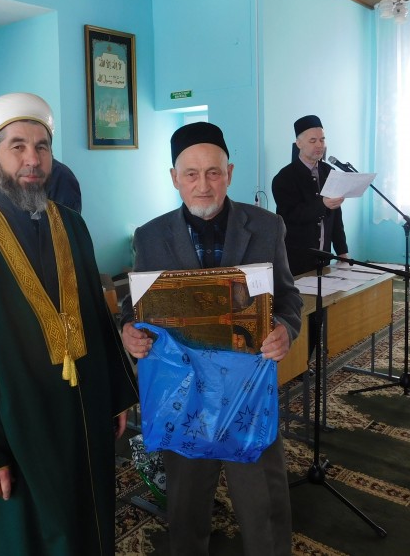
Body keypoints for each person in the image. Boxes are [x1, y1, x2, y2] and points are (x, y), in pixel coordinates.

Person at [0, 92, 138, 556]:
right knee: (21, 535)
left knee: (85, 520)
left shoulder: (72, 224)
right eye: (17, 146)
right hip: (13, 422)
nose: (32, 159)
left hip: (81, 408)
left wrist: (116, 394)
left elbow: (96, 316)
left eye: (41, 147)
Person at [120, 121, 302, 556]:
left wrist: (285, 328)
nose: (203, 186)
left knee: (263, 501)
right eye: (191, 174)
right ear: (174, 178)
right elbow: (135, 307)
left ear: (230, 173)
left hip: (248, 391)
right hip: (183, 395)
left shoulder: (266, 226)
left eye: (214, 173)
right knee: (185, 502)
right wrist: (129, 330)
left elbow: (288, 296)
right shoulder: (151, 236)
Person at [271, 114, 349, 276]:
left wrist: (342, 252)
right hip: (295, 259)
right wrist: (323, 204)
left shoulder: (329, 172)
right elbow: (291, 216)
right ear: (299, 143)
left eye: (322, 140)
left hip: (324, 256)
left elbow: (336, 217)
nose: (319, 145)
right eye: (313, 141)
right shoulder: (284, 178)